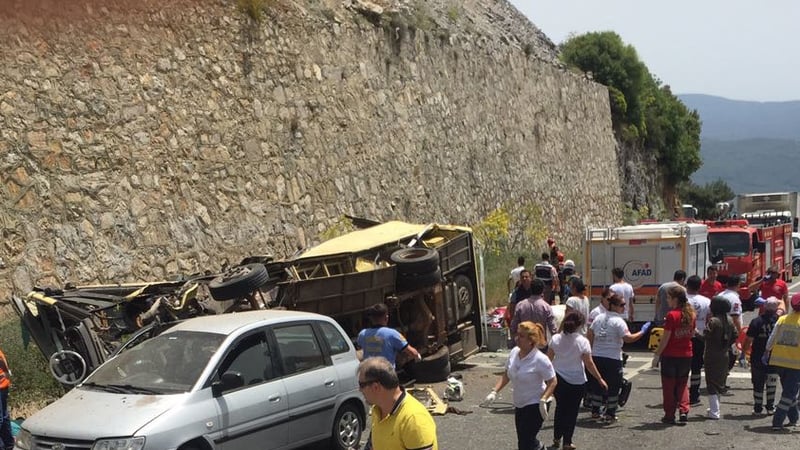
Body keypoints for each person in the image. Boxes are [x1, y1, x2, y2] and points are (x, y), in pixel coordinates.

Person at [485, 321, 557, 450]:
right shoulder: (514, 352)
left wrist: (544, 399)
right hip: (519, 403)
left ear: (531, 340)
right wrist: (494, 391)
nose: (517, 338)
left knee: (526, 441)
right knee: (523, 440)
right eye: (517, 335)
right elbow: (507, 374)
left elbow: (553, 381)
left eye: (522, 336)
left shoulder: (540, 359)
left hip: (535, 404)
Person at [587, 295, 651, 424]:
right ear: (613, 306)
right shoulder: (619, 321)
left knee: (597, 385)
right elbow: (628, 339)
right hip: (612, 358)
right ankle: (610, 413)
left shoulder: (598, 318)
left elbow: (590, 336)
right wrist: (643, 332)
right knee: (613, 386)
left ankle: (595, 411)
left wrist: (591, 353)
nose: (624, 307)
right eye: (622, 305)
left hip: (597, 356)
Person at [547, 312, 607, 450]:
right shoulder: (582, 341)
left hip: (558, 378)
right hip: (577, 380)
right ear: (580, 325)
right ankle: (567, 442)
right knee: (572, 412)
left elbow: (548, 360)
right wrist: (599, 378)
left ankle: (556, 438)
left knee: (560, 408)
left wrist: (545, 378)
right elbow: (589, 364)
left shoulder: (555, 339)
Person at [358, 357, 438, 450]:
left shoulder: (414, 419)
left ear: (376, 387)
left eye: (361, 385)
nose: (360, 390)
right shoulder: (378, 411)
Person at [652, 285, 696, 424]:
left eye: (669, 298)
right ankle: (684, 410)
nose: (667, 301)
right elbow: (692, 333)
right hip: (686, 354)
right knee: (682, 384)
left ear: (675, 299)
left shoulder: (672, 315)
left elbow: (665, 338)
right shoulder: (691, 315)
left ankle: (669, 414)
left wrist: (657, 355)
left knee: (669, 386)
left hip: (670, 355)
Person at [765, 292, 800, 432]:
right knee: (788, 394)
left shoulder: (783, 319)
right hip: (795, 364)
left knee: (788, 391)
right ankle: (777, 421)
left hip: (779, 361)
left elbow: (772, 338)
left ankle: (793, 418)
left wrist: (767, 351)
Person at [742, 297, 780, 415]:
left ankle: (758, 408)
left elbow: (749, 340)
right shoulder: (780, 321)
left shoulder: (756, 321)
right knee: (772, 382)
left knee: (758, 383)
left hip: (758, 356)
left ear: (764, 307)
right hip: (775, 357)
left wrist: (743, 353)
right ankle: (770, 407)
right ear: (776, 309)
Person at [703, 296, 737, 419]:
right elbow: (735, 335)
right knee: (720, 382)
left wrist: (695, 332)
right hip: (724, 354)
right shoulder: (730, 320)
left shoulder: (713, 321)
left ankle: (714, 411)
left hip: (712, 355)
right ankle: (715, 407)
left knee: (711, 382)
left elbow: (705, 336)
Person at [357, 303, 420, 368]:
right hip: (386, 373)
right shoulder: (392, 334)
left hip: (369, 373)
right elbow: (412, 352)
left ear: (371, 318)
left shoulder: (362, 334)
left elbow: (360, 349)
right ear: (386, 318)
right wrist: (417, 356)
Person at [685, 275, 711, 405]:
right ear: (700, 287)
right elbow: (709, 319)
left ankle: (681, 394)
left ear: (686, 285)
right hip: (700, 336)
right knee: (696, 368)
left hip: (684, 336)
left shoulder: (682, 300)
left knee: (683, 367)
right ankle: (694, 395)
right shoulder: (706, 301)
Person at [717, 275, 743, 371]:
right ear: (738, 285)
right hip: (730, 332)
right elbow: (735, 318)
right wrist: (740, 333)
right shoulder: (735, 299)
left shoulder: (719, 295)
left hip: (717, 329)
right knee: (731, 355)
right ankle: (723, 376)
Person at [0, 348, 12, 449]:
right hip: (3, 386)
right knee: (3, 416)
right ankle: (7, 445)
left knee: (3, 416)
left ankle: (7, 445)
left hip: (2, 387)